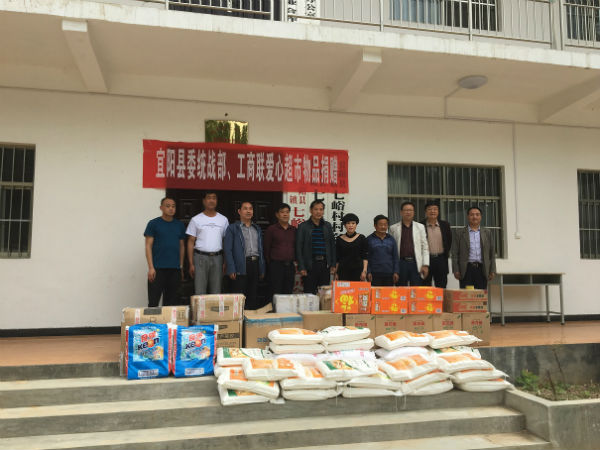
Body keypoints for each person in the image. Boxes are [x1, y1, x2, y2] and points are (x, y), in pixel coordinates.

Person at [144, 197, 186, 307]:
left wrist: (181, 266)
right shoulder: (153, 224)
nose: (171, 209)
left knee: (171, 303)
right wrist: (151, 267)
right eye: (168, 206)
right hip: (157, 269)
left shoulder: (179, 225)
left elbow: (182, 246)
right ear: (161, 208)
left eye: (173, 206)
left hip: (174, 269)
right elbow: (148, 246)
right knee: (153, 302)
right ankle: (152, 319)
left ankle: (168, 320)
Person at [224, 201, 266, 310]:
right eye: (245, 208)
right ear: (239, 211)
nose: (248, 211)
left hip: (255, 264)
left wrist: (262, 268)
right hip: (241, 265)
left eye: (250, 209)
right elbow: (228, 250)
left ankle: (251, 318)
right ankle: (239, 319)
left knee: (253, 294)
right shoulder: (233, 228)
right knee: (239, 296)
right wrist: (231, 268)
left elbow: (261, 249)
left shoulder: (257, 228)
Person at [186, 191, 229, 295]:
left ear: (217, 201)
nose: (211, 200)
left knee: (216, 291)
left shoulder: (223, 220)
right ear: (204, 201)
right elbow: (191, 242)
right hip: (200, 258)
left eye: (214, 198)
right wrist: (191, 263)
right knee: (200, 292)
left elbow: (225, 242)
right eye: (209, 198)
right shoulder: (196, 219)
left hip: (218, 258)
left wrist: (225, 261)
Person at [296, 199, 336, 294]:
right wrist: (301, 267)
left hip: (324, 264)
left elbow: (332, 246)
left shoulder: (327, 226)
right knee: (309, 293)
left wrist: (333, 264)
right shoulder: (303, 226)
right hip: (310, 265)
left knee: (323, 293)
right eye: (316, 209)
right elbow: (298, 248)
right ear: (311, 210)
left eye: (321, 209)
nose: (318, 212)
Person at [452, 206, 496, 289]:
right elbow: (454, 253)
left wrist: (492, 270)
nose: (474, 217)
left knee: (480, 294)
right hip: (466, 269)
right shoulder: (460, 233)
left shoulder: (487, 233)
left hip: (482, 269)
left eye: (477, 214)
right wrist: (456, 270)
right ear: (468, 216)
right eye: (472, 214)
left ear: (481, 217)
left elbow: (492, 253)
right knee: (467, 295)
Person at [389, 201, 429, 286]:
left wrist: (425, 264)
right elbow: (391, 249)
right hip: (401, 263)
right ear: (401, 212)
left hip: (416, 263)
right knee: (401, 289)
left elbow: (425, 247)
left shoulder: (420, 227)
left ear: (414, 212)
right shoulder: (393, 228)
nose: (408, 212)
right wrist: (393, 267)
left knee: (416, 289)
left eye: (410, 210)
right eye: (406, 210)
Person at [264, 203, 296, 299]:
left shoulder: (294, 230)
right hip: (276, 266)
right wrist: (270, 264)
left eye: (287, 212)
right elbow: (266, 249)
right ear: (277, 215)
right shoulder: (271, 229)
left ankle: (286, 309)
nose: (285, 214)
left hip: (290, 266)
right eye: (282, 212)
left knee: (288, 292)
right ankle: (275, 309)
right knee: (275, 292)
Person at [421, 202, 453, 288]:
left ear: (438, 211)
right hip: (426, 261)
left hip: (441, 260)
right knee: (425, 287)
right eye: (430, 209)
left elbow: (449, 241)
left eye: (435, 209)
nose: (432, 211)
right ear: (425, 212)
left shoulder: (445, 225)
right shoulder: (420, 225)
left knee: (441, 287)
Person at [366, 214, 399, 286]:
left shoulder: (391, 239)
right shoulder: (369, 239)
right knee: (375, 293)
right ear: (375, 226)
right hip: (374, 274)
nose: (383, 227)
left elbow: (395, 257)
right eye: (380, 224)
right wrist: (368, 272)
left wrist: (396, 272)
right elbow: (366, 258)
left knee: (388, 293)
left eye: (385, 225)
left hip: (389, 274)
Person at [335, 213, 368, 282]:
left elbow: (365, 256)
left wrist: (364, 271)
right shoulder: (339, 239)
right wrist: (336, 273)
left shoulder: (361, 238)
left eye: (353, 223)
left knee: (357, 289)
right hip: (342, 271)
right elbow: (337, 258)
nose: (351, 225)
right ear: (344, 225)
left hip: (358, 271)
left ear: (356, 225)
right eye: (348, 223)